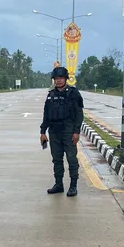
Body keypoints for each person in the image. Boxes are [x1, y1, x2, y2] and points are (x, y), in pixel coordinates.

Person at [40, 67, 84, 197]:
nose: (58, 81)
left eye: (61, 78)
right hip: (54, 132)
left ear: (66, 79)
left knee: (71, 158)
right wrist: (43, 132)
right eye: (56, 79)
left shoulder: (73, 93)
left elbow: (79, 115)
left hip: (68, 131)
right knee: (57, 159)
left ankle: (73, 186)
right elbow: (46, 115)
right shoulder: (51, 95)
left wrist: (76, 132)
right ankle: (58, 184)